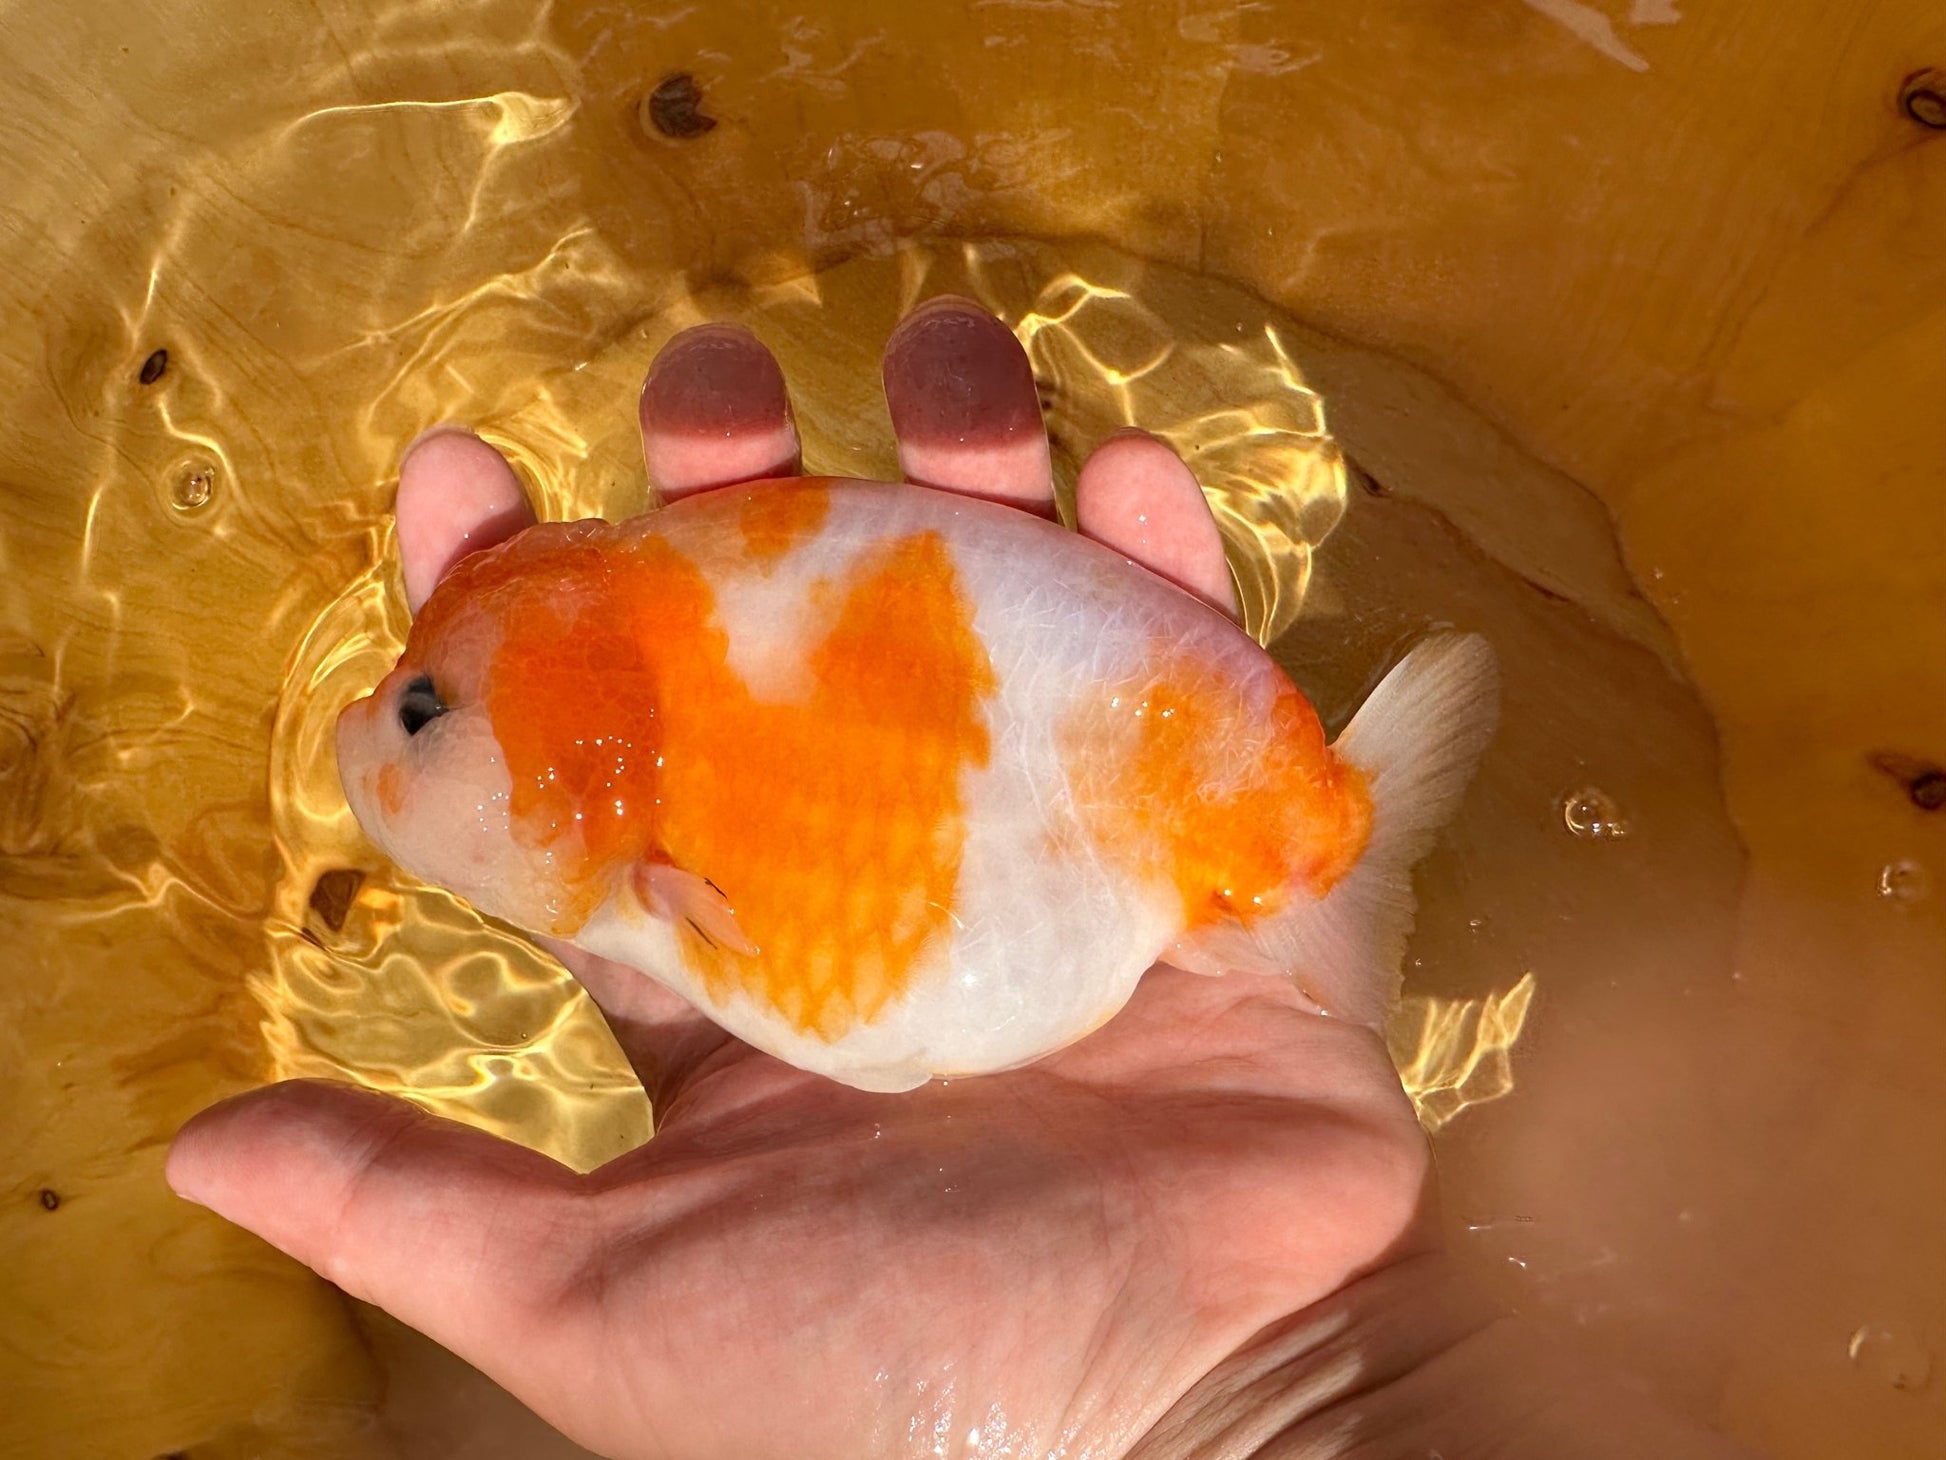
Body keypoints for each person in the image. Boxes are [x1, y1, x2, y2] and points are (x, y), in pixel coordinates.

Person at [167, 298, 1759, 1459]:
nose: (379, 726)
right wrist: (1260, 1397)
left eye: (426, 710)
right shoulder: (648, 770)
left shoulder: (656, 814)